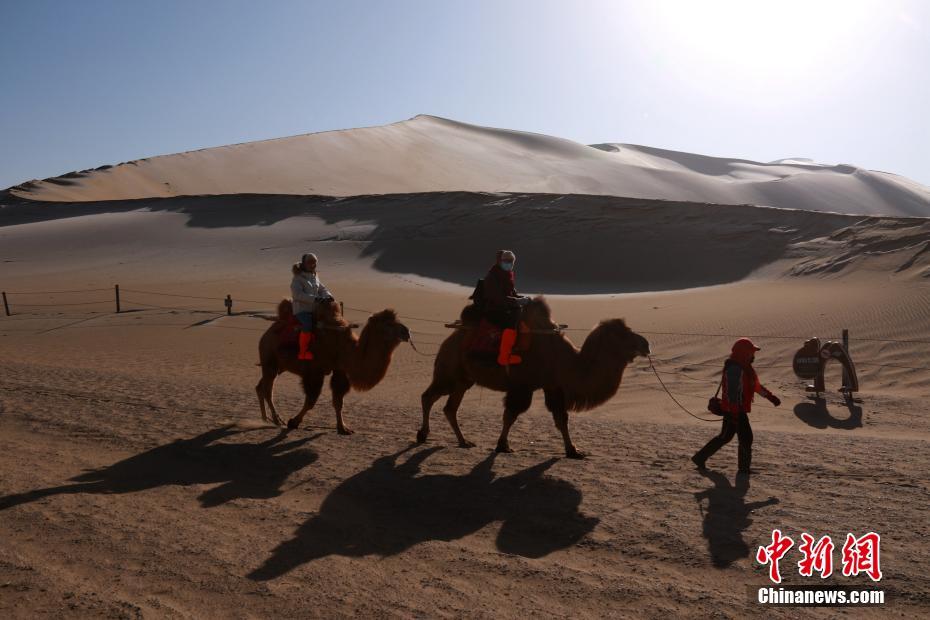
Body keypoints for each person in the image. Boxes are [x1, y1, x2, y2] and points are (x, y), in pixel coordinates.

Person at [691, 338, 781, 474]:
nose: (753, 355)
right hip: (735, 410)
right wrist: (734, 413)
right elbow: (732, 393)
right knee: (746, 437)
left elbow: (754, 386)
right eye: (751, 352)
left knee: (725, 437)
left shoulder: (745, 367)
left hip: (735, 409)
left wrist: (770, 397)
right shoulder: (734, 368)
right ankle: (743, 469)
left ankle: (700, 458)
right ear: (744, 353)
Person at [483, 250, 529, 366]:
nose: (509, 263)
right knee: (511, 322)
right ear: (500, 261)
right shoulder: (492, 277)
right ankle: (504, 357)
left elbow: (512, 294)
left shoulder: (508, 276)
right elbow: (499, 299)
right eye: (506, 261)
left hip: (505, 307)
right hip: (493, 310)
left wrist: (524, 298)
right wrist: (517, 301)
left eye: (511, 261)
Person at [290, 253, 333, 361]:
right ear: (304, 263)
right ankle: (303, 352)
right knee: (308, 324)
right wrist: (316, 299)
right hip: (302, 310)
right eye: (310, 262)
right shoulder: (298, 278)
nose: (313, 264)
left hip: (315, 309)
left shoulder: (314, 276)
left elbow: (323, 289)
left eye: (314, 262)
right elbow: (297, 295)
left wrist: (328, 296)